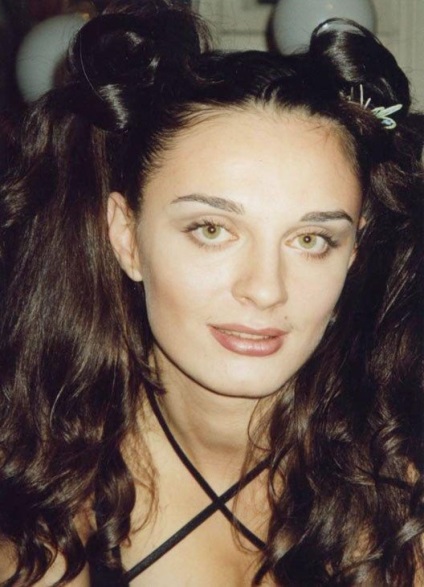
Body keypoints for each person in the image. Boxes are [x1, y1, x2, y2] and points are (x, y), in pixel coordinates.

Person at [0, 1, 422, 585]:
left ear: (354, 251)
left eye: (311, 239)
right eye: (212, 230)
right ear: (127, 237)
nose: (265, 290)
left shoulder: (402, 483)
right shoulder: (32, 509)